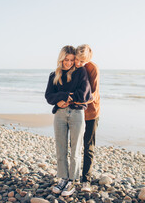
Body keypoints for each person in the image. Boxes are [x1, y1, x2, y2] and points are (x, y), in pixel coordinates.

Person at [45, 45, 92, 197]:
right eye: (66, 60)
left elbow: (84, 94)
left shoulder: (81, 72)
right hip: (59, 114)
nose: (69, 63)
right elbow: (49, 96)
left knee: (76, 148)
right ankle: (63, 178)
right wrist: (61, 98)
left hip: (77, 114)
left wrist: (63, 97)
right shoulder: (54, 75)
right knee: (61, 148)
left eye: (72, 60)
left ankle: (72, 180)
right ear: (61, 59)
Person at [75, 44, 100, 192]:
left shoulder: (93, 69)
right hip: (77, 112)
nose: (78, 63)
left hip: (91, 112)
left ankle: (86, 180)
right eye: (77, 59)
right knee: (75, 145)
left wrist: (76, 100)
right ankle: (73, 177)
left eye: (82, 61)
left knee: (88, 147)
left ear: (88, 59)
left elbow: (94, 94)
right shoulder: (74, 67)